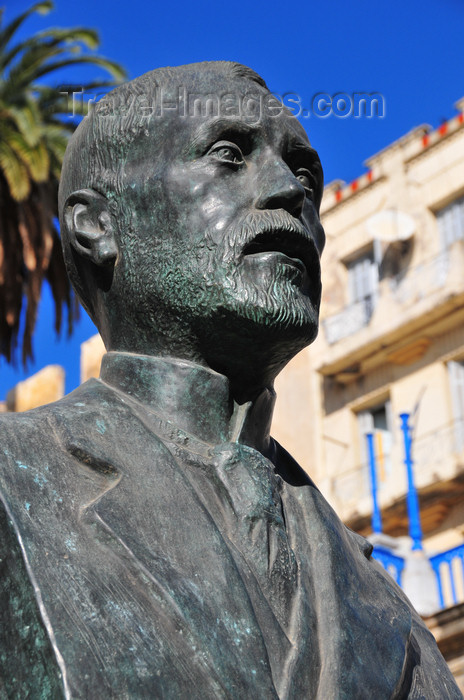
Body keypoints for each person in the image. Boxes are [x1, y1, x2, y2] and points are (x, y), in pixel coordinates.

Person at [0, 62, 460, 699]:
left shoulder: (382, 598)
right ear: (98, 227)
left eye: (306, 175)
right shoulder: (14, 479)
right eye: (227, 154)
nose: (289, 192)